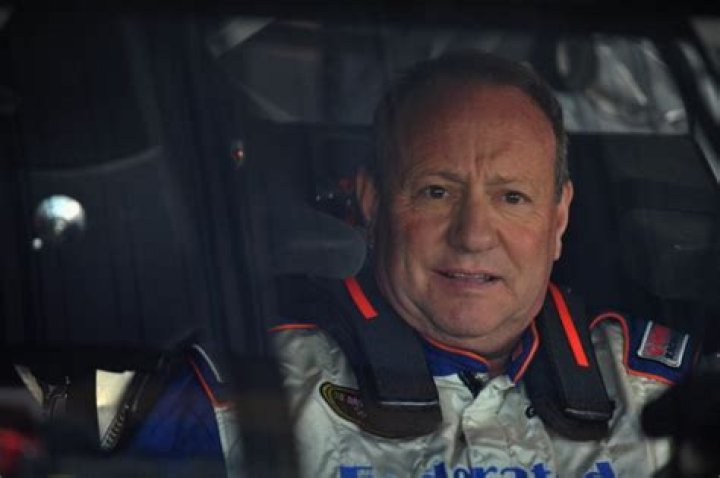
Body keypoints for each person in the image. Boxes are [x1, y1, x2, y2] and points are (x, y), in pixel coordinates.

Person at [270, 50, 697, 477]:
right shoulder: (268, 389)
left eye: (511, 197)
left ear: (558, 219)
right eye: (437, 192)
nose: (473, 236)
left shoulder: (666, 391)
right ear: (372, 203)